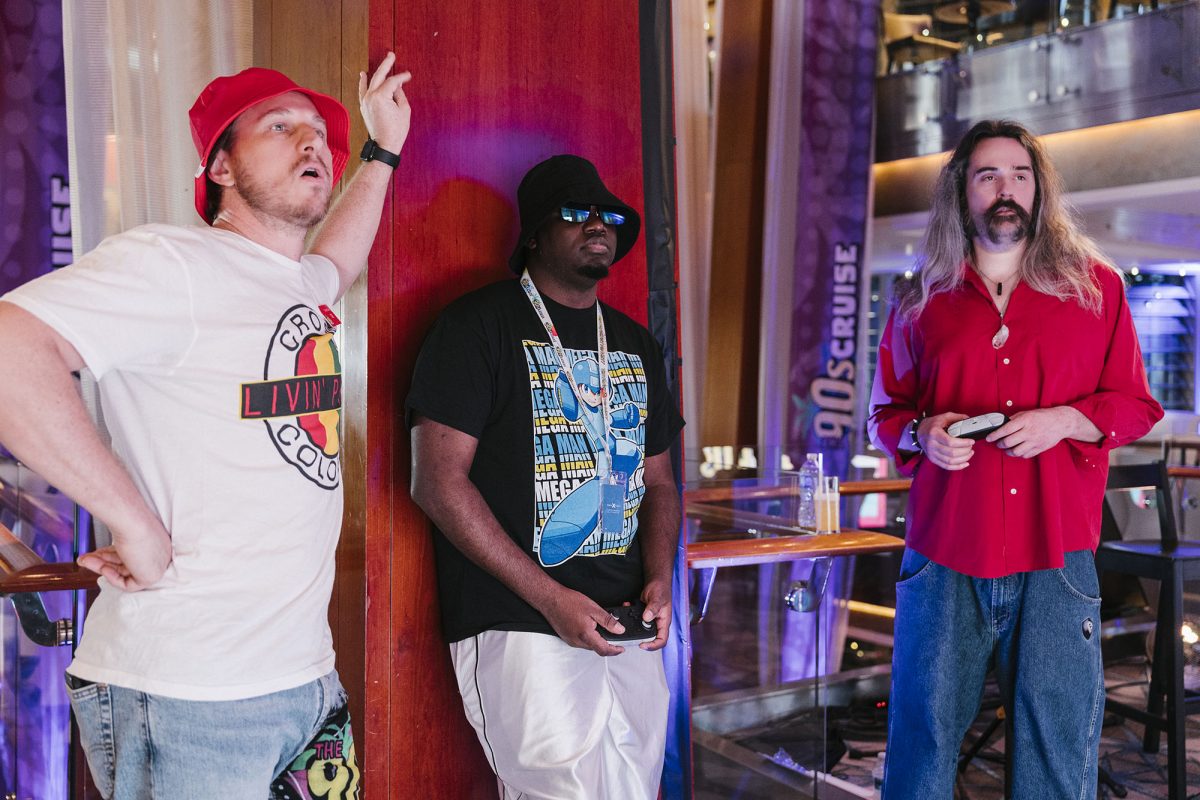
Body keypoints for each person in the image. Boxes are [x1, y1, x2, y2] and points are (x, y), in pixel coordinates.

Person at [0, 54, 412, 797]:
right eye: (279, 126)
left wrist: (382, 150)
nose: (313, 142)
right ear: (220, 166)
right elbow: (11, 347)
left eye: (320, 132)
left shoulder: (301, 284)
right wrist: (134, 525)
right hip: (187, 696)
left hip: (306, 684)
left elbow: (339, 259)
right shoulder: (175, 264)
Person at [868, 119, 1163, 798]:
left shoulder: (1096, 289)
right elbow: (886, 416)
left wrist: (1066, 420)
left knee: (1056, 750)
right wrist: (923, 432)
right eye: (988, 175)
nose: (1006, 189)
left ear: (1039, 189)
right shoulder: (921, 299)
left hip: (1057, 552)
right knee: (920, 746)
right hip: (944, 552)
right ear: (962, 191)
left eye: (1020, 175)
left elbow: (1136, 405)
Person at [407, 154, 684, 799]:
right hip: (522, 617)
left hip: (629, 621)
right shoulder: (477, 326)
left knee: (635, 789)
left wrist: (660, 578)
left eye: (608, 214)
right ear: (534, 233)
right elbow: (437, 483)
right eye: (576, 211)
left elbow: (660, 483)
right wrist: (552, 599)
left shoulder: (635, 343)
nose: (598, 223)